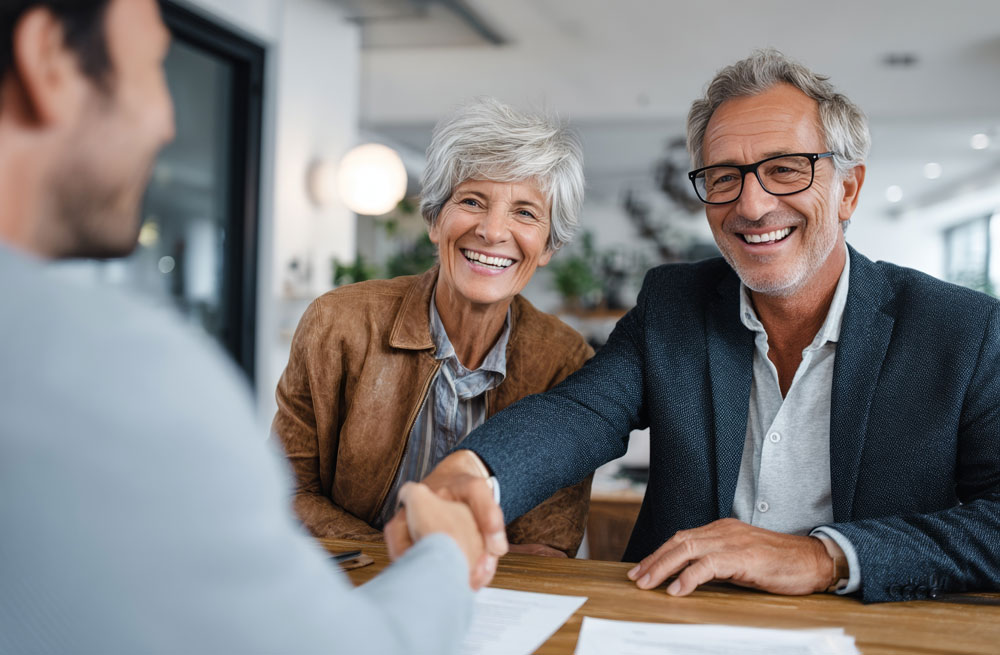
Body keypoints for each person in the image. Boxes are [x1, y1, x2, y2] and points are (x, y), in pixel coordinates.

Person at [391, 49, 1000, 604]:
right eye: (724, 177)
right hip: (671, 622)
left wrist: (825, 557)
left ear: (848, 188)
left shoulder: (962, 332)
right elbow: (581, 414)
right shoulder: (675, 302)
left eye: (786, 169)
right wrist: (476, 471)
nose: (753, 205)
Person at [0, 1, 484, 652]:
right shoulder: (118, 373)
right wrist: (445, 555)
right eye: (152, 67)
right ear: (50, 60)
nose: (168, 121)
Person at [273, 97, 593, 557]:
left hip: (488, 605)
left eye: (525, 212)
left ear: (548, 247)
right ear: (433, 219)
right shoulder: (338, 324)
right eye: (472, 201)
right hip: (349, 586)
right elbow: (286, 492)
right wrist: (401, 561)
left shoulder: (564, 360)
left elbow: (548, 542)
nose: (492, 230)